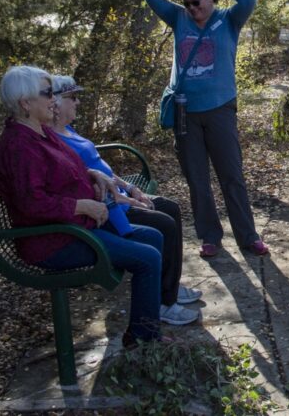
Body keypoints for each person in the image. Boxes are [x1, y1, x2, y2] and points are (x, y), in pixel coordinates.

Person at [0, 65, 168, 347]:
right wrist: (82, 206)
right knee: (148, 258)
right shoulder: (19, 147)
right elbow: (31, 203)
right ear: (26, 103)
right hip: (53, 241)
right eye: (47, 93)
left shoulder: (39, 132)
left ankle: (147, 322)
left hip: (73, 229)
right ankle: (143, 340)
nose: (53, 99)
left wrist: (92, 174)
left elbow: (63, 169)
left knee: (154, 236)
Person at [51, 75, 202, 326]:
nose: (77, 103)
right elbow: (85, 186)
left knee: (170, 208)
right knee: (163, 224)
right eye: (72, 98)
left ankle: (169, 288)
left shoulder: (70, 130)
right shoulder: (55, 141)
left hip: (117, 196)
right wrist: (127, 201)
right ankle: (165, 302)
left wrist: (131, 188)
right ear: (54, 103)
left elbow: (101, 167)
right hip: (107, 206)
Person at [144, 0, 269, 259]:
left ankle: (248, 236)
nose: (192, 9)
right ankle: (210, 236)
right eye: (187, 3)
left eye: (197, 2)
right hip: (185, 112)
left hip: (220, 109)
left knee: (232, 175)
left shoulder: (229, 20)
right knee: (197, 178)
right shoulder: (179, 18)